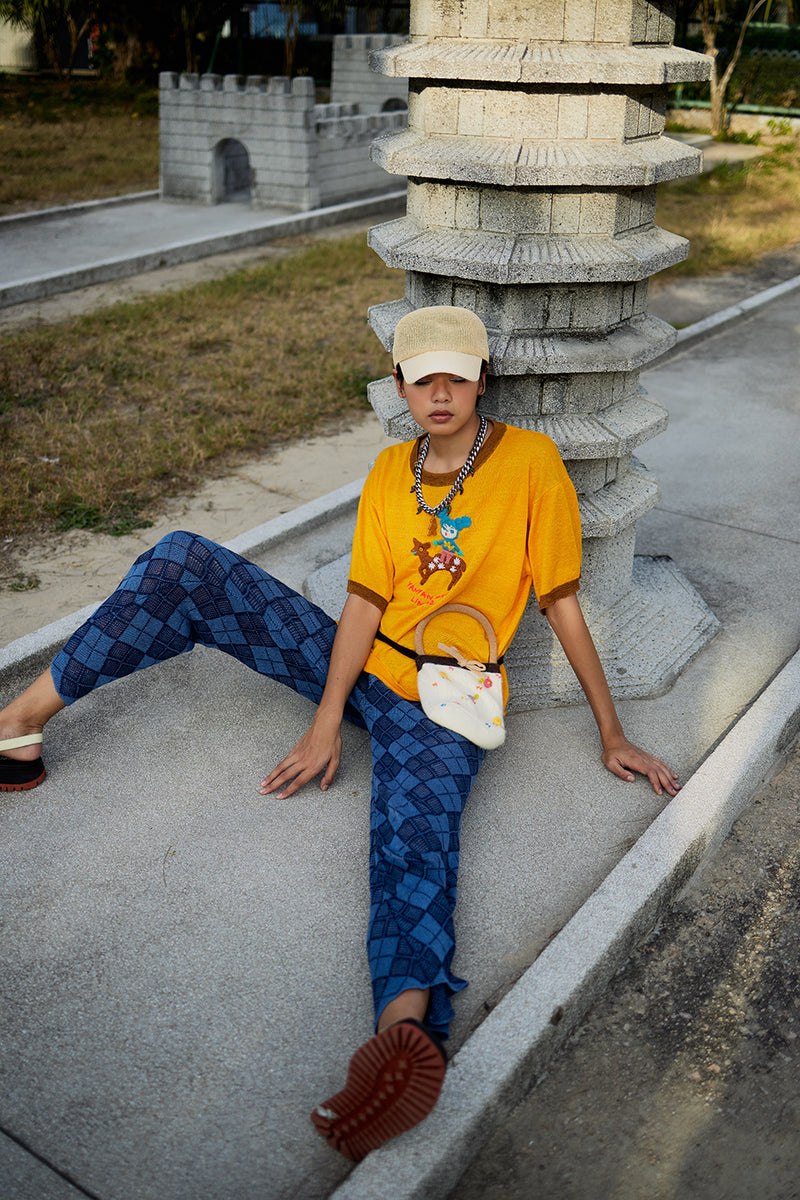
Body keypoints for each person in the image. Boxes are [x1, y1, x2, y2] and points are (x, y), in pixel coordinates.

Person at [0, 305, 679, 1161]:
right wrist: (327, 722)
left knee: (413, 842)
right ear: (399, 387)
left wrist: (611, 731)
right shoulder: (391, 470)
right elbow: (360, 603)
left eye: (456, 377)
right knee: (182, 560)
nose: (440, 394)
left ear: (481, 381)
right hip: (361, 670)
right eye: (422, 378)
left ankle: (404, 1041)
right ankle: (16, 727)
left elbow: (562, 603)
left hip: (448, 699)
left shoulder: (530, 464)